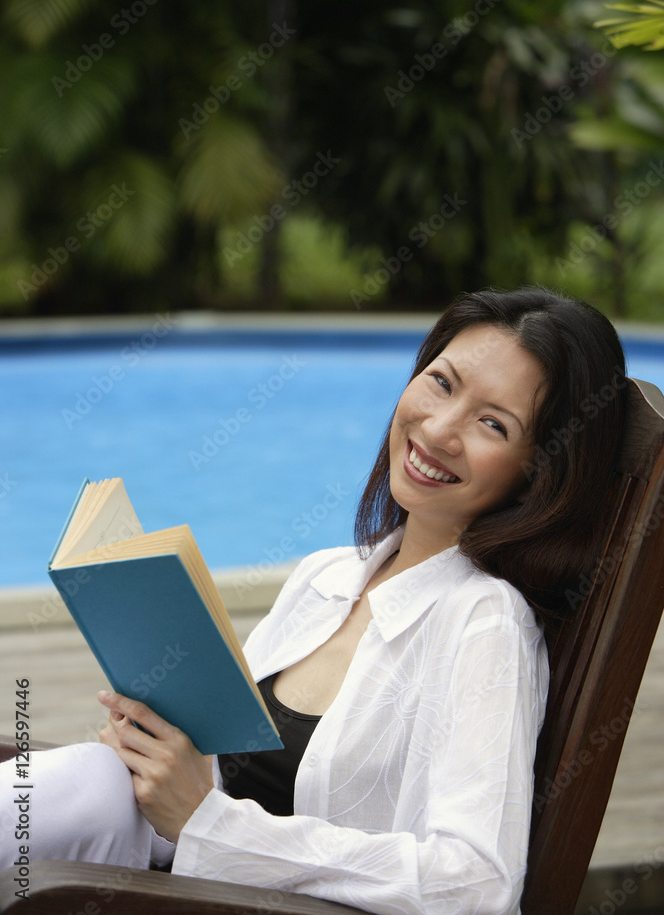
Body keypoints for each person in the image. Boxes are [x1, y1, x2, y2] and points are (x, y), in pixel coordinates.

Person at [0, 286, 627, 915]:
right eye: (441, 383)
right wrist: (152, 754)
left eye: (494, 423)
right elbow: (219, 773)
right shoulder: (325, 577)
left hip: (225, 901)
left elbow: (472, 885)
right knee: (89, 780)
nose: (439, 429)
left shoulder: (484, 622)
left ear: (539, 473)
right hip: (161, 871)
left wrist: (209, 822)